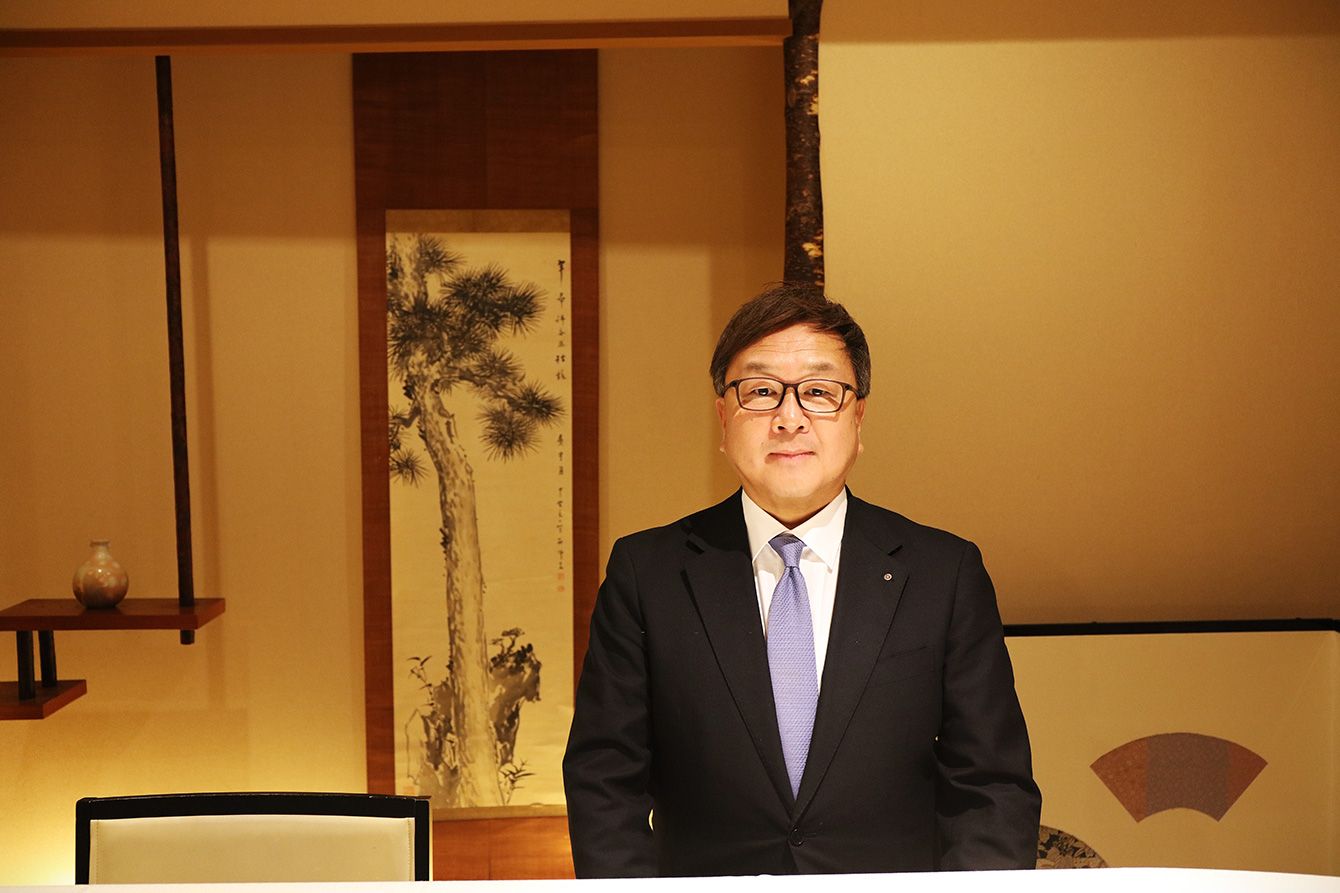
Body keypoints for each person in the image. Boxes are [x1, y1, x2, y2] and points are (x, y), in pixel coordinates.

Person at [563, 283, 1040, 876]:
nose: (789, 418)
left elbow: (991, 787)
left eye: (818, 392)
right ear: (723, 416)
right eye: (761, 391)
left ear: (858, 416)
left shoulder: (944, 573)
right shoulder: (646, 573)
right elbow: (605, 779)